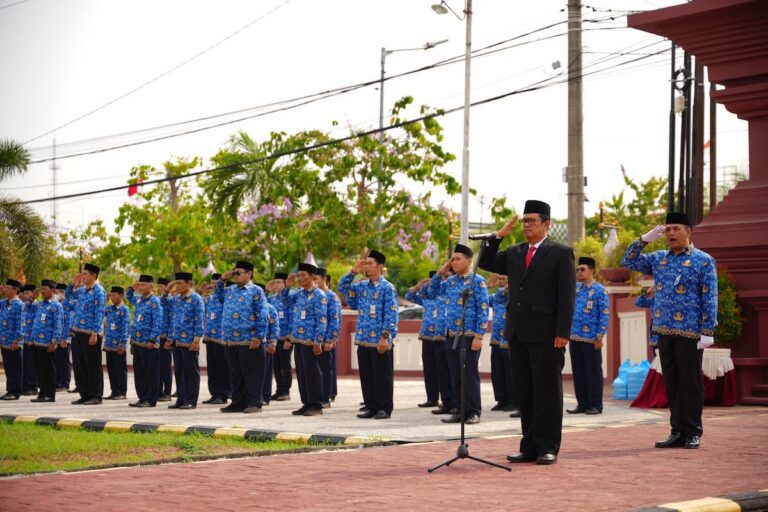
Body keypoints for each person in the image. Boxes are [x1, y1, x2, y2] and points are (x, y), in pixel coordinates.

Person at [478, 200, 576, 465]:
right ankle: (529, 446)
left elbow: (567, 296)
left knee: (547, 392)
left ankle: (548, 447)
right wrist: (498, 236)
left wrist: (562, 331)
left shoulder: (560, 252)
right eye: (524, 221)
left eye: (532, 221)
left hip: (547, 333)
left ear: (547, 224)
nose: (526, 225)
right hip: (518, 333)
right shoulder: (515, 252)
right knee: (526, 392)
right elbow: (486, 261)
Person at [621, 212, 718, 450]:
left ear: (688, 231)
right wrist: (644, 239)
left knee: (691, 383)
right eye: (668, 230)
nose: (671, 234)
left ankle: (693, 431)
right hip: (664, 330)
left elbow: (710, 296)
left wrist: (708, 330)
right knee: (672, 383)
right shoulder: (658, 258)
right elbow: (629, 261)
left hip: (690, 332)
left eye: (676, 229)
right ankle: (677, 431)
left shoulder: (703, 260)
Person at [426, 244, 489, 425]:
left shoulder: (477, 281)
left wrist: (479, 336)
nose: (453, 262)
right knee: (455, 375)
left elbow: (483, 309)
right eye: (452, 259)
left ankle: (473, 411)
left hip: (469, 335)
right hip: (451, 334)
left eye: (457, 259)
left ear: (469, 260)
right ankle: (459, 411)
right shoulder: (451, 281)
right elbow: (431, 293)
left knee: (468, 375)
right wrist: (440, 272)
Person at [338, 250, 398, 420]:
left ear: (380, 267)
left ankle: (384, 408)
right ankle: (371, 406)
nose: (367, 266)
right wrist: (353, 272)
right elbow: (342, 288)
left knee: (382, 376)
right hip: (363, 338)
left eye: (370, 263)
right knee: (367, 375)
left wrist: (385, 337)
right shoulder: (362, 286)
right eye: (366, 263)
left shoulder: (387, 288)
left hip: (379, 339)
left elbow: (391, 314)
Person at [217, 261, 270, 414]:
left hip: (249, 339)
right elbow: (218, 297)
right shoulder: (230, 290)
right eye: (235, 273)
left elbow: (262, 315)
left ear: (249, 274)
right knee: (235, 373)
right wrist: (222, 280)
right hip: (230, 340)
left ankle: (254, 402)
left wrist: (258, 337)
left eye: (239, 273)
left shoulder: (256, 291)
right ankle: (238, 402)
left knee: (252, 373)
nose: (236, 276)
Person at [282, 263, 328, 417]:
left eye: (303, 275)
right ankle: (306, 403)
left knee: (313, 373)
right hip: (299, 339)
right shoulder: (299, 293)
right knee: (301, 373)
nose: (300, 278)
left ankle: (316, 405)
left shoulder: (319, 295)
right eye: (299, 275)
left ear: (312, 277)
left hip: (311, 340)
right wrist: (287, 287)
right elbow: (285, 301)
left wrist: (318, 341)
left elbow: (322, 320)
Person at [567, 257, 610, 415]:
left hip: (591, 339)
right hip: (574, 337)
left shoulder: (600, 290)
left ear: (592, 271)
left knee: (593, 373)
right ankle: (582, 404)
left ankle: (595, 405)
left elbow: (604, 315)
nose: (579, 272)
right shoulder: (575, 289)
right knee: (578, 373)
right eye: (577, 270)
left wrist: (599, 337)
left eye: (582, 269)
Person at [66, 263, 107, 405]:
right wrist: (72, 284)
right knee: (79, 365)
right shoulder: (82, 290)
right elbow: (68, 297)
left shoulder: (99, 291)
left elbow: (99, 313)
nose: (82, 276)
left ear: (93, 276)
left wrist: (95, 333)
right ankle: (84, 394)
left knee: (92, 365)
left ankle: (96, 395)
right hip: (78, 332)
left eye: (85, 274)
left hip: (91, 334)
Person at [165, 272, 205, 410]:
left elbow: (200, 321)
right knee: (179, 371)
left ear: (189, 284)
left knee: (190, 372)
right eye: (176, 283)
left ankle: (191, 400)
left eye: (180, 283)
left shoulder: (196, 299)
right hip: (177, 341)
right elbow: (163, 303)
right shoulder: (176, 299)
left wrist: (196, 340)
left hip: (189, 341)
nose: (178, 286)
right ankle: (181, 399)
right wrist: (168, 289)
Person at [126, 275, 164, 408]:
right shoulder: (139, 300)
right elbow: (128, 296)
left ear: (151, 286)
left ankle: (150, 399)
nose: (140, 287)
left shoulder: (155, 302)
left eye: (143, 285)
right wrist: (132, 287)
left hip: (149, 343)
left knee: (150, 372)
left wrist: (152, 339)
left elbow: (158, 322)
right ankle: (142, 397)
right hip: (137, 342)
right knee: (140, 372)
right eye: (140, 285)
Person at [405, 271, 441, 408]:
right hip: (426, 336)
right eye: (431, 281)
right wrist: (419, 285)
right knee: (429, 369)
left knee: (443, 370)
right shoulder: (426, 298)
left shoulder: (445, 296)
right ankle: (432, 398)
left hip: (441, 337)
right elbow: (409, 296)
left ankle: (447, 400)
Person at [487, 274, 520, 416]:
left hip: (509, 339)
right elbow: (483, 300)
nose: (500, 282)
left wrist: (509, 287)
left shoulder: (514, 293)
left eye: (504, 279)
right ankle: (501, 399)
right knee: (497, 371)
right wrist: (487, 286)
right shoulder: (496, 295)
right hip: (496, 338)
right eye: (499, 279)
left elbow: (514, 295)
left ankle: (513, 401)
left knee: (510, 371)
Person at [28, 280, 63, 403]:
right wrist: (32, 297)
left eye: (45, 289)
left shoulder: (56, 305)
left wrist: (54, 342)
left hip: (48, 343)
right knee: (40, 369)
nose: (43, 291)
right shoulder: (40, 304)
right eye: (42, 288)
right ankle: (42, 393)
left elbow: (58, 325)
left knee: (49, 370)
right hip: (37, 342)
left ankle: (49, 395)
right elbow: (26, 308)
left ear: (53, 291)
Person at [201, 273, 231, 405]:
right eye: (211, 283)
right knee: (212, 367)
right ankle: (214, 393)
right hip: (209, 337)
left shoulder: (225, 297)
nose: (212, 286)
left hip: (221, 337)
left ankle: (223, 394)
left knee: (221, 367)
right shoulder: (208, 299)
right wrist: (200, 291)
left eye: (215, 284)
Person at [315, 268, 341, 408]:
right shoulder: (313, 295)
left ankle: (326, 397)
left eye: (316, 279)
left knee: (326, 369)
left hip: (326, 339)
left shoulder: (331, 296)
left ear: (324, 279)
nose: (314, 282)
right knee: (316, 369)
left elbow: (335, 319)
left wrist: (331, 339)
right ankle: (319, 396)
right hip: (314, 339)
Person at [267, 272, 293, 401]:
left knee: (285, 365)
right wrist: (266, 290)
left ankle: (285, 391)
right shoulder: (271, 299)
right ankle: (279, 389)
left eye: (279, 282)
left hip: (285, 337)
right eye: (275, 282)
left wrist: (290, 338)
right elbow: (261, 305)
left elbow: (293, 318)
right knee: (276, 365)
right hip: (274, 338)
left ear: (285, 283)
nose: (277, 285)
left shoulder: (290, 298)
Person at [103, 286, 130, 400]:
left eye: (114, 295)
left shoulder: (124, 310)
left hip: (118, 345)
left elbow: (125, 327)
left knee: (120, 369)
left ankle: (122, 392)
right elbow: (99, 311)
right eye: (111, 295)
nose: (112, 297)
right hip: (109, 344)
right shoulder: (109, 309)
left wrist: (122, 344)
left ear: (121, 295)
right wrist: (105, 298)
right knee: (111, 369)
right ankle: (114, 391)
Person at [0, 279, 25, 400]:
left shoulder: (19, 305)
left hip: (13, 342)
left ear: (15, 290)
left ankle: (15, 392)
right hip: (4, 341)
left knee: (15, 368)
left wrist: (17, 340)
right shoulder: (5, 303)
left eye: (7, 287)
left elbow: (21, 324)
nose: (4, 289)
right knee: (8, 368)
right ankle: (10, 390)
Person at [20, 284, 39, 397]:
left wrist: (32, 338)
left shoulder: (37, 305)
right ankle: (25, 386)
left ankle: (33, 386)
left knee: (32, 364)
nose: (27, 295)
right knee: (25, 364)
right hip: (23, 340)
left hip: (32, 339)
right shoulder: (24, 306)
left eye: (29, 293)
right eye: (25, 293)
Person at [156, 277, 173, 401]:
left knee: (166, 367)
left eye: (161, 286)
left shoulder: (171, 301)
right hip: (156, 337)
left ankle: (167, 392)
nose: (158, 289)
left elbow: (173, 320)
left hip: (165, 337)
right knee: (157, 366)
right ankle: (158, 391)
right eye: (157, 286)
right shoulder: (156, 300)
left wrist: (170, 338)